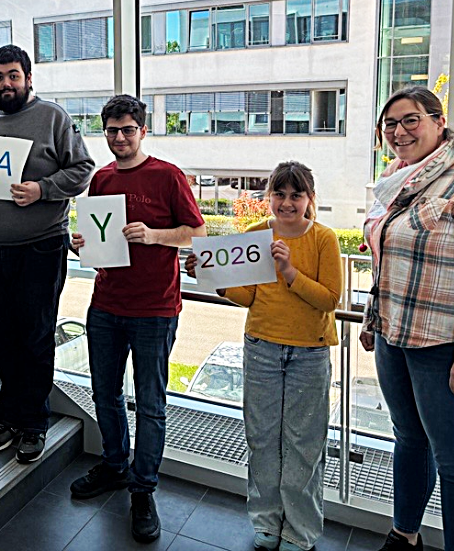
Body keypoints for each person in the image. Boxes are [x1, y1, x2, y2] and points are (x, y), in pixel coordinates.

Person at [69, 95, 206, 543]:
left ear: (143, 131)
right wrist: (82, 245)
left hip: (155, 309)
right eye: (112, 131)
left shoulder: (168, 176)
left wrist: (153, 235)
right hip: (106, 304)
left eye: (128, 129)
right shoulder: (102, 179)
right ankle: (114, 465)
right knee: (104, 393)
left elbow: (196, 233)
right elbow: (97, 241)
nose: (120, 138)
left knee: (150, 404)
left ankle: (143, 489)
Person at [186, 161, 341, 551]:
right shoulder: (254, 235)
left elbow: (329, 300)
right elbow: (249, 297)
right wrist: (214, 281)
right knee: (262, 439)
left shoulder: (324, 239)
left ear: (309, 199)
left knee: (304, 444)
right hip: (261, 348)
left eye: (296, 195)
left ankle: (300, 530)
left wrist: (289, 270)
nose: (287, 203)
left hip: (310, 353)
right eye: (280, 194)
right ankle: (268, 522)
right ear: (269, 197)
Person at [0, 44, 94, 464]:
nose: (5, 84)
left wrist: (41, 189)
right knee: (2, 335)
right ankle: (9, 416)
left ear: (29, 78)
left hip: (40, 248)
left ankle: (34, 423)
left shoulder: (54, 118)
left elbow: (82, 169)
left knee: (34, 337)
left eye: (13, 75)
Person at [360, 86, 454, 551]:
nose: (399, 132)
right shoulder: (396, 179)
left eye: (411, 120)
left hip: (441, 342)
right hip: (395, 332)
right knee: (408, 439)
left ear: (439, 121)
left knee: (453, 460)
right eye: (390, 124)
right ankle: (404, 536)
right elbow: (385, 260)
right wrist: (371, 319)